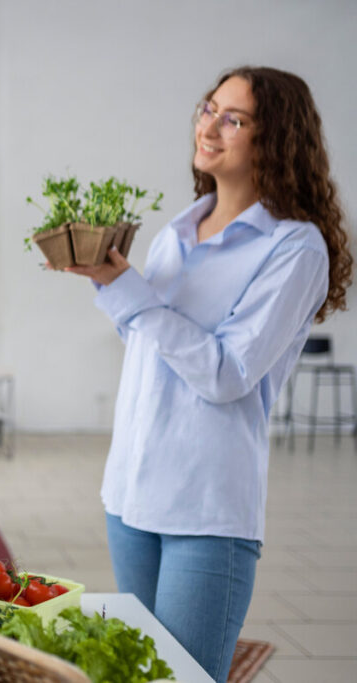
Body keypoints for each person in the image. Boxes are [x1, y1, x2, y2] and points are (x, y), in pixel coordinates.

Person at [65, 66, 352, 682]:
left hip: (206, 506)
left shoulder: (294, 248)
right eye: (208, 108)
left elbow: (227, 373)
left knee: (183, 679)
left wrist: (134, 294)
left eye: (234, 118)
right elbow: (149, 343)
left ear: (274, 140)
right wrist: (110, 284)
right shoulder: (178, 229)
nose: (210, 125)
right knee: (134, 676)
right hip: (131, 494)